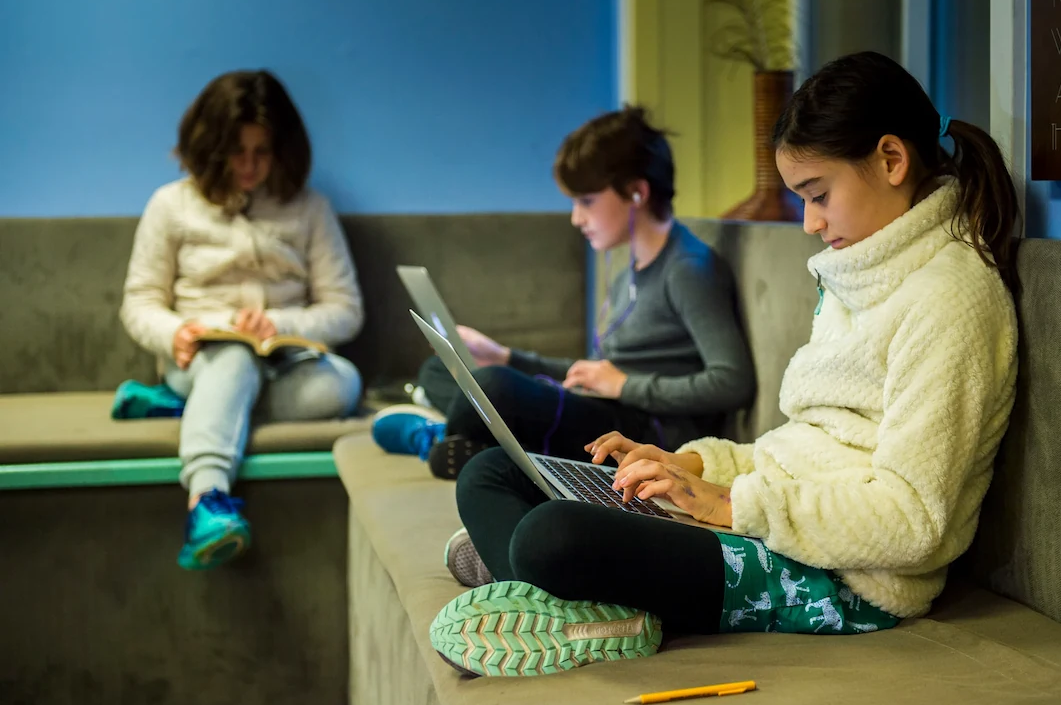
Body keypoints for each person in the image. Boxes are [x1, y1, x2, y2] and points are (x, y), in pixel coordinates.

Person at [426, 51, 1021, 677]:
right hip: (770, 523)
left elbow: (914, 522)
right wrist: (691, 466)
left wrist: (729, 506)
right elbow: (796, 450)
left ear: (892, 160)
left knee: (552, 537)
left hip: (840, 579)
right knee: (490, 472)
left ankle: (571, 594)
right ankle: (557, 593)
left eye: (818, 195)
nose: (809, 224)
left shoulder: (951, 301)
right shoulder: (863, 270)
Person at [373, 106, 756, 481]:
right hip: (606, 408)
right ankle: (467, 437)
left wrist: (624, 385)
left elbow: (732, 381)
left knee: (494, 386)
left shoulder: (688, 269)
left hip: (642, 434)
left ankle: (447, 436)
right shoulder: (630, 273)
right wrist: (506, 355)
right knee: (445, 367)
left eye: (586, 201)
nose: (576, 218)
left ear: (637, 193)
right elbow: (590, 376)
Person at [120, 70, 364, 571]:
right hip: (203, 359)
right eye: (236, 152)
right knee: (232, 360)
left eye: (262, 152)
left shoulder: (310, 209)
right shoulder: (170, 205)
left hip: (286, 359)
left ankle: (192, 411)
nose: (249, 166)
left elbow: (345, 310)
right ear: (209, 146)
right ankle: (206, 501)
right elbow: (140, 302)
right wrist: (175, 333)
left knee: (343, 385)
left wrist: (277, 324)